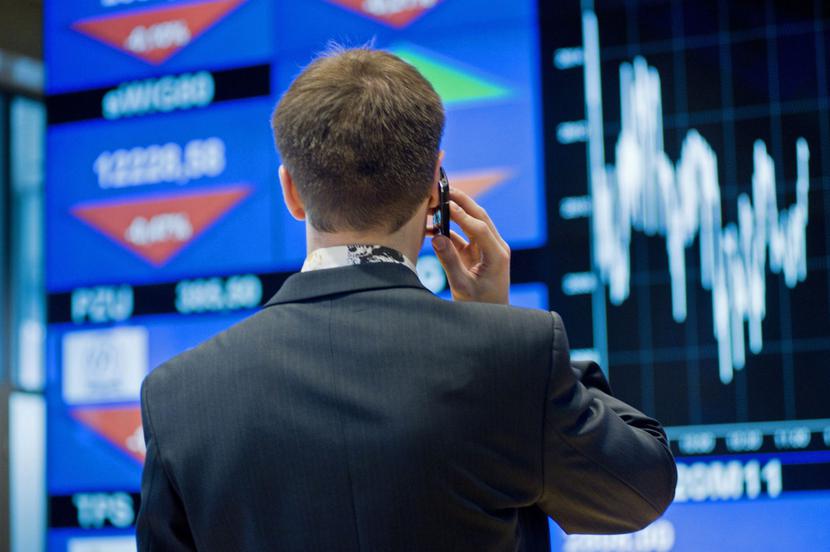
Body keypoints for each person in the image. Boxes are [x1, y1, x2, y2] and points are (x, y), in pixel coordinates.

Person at [136, 47, 677, 552]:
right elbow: (640, 490)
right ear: (433, 186)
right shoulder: (510, 359)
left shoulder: (178, 395)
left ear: (292, 191)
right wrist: (496, 330)